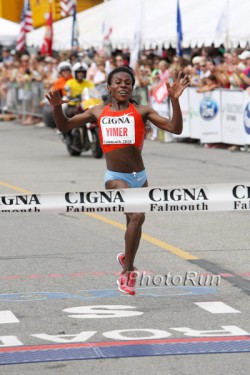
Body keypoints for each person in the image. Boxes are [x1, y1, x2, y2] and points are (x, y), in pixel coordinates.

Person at [46, 66, 189, 296]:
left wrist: (174, 100)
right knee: (136, 216)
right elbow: (64, 126)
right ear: (109, 88)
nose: (123, 85)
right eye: (118, 82)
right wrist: (56, 109)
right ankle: (128, 272)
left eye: (128, 83)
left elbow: (175, 128)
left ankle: (126, 256)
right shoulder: (97, 112)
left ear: (132, 88)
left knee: (135, 223)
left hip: (140, 177)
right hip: (115, 178)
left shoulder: (142, 111)